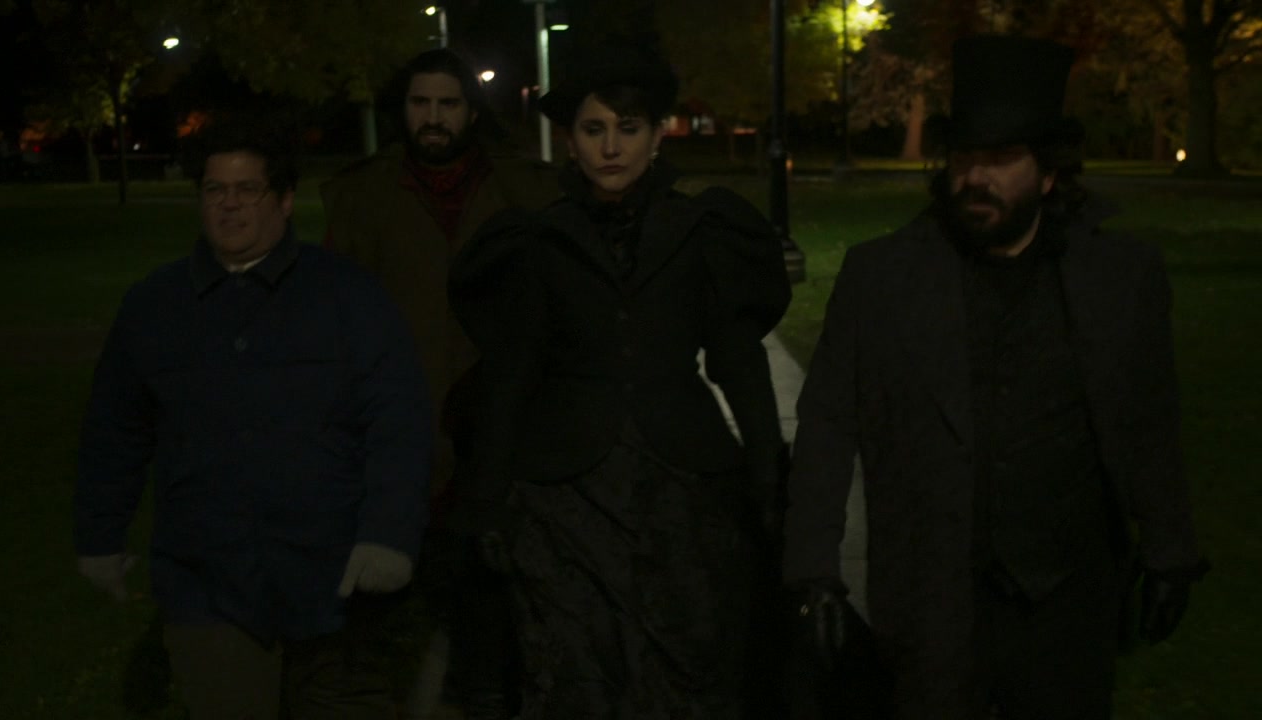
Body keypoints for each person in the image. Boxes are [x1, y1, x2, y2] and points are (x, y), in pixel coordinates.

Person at [783, 35, 1208, 718]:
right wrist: (813, 572)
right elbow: (828, 427)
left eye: (1001, 159)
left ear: (1048, 174)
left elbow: (1149, 421)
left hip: (1067, 601)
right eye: (964, 157)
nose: (975, 177)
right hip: (931, 597)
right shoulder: (882, 279)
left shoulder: (1119, 279)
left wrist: (1169, 550)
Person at [448, 46, 792, 719]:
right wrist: (486, 500)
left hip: (683, 484)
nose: (610, 148)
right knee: (574, 675)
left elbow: (737, 360)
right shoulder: (537, 242)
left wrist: (768, 478)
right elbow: (511, 375)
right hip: (564, 492)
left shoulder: (701, 230)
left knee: (687, 667)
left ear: (657, 135)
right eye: (593, 129)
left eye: (627, 129)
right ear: (570, 141)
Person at [74, 113, 433, 720]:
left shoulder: (347, 297)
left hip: (335, 581)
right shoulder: (156, 306)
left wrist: (388, 536)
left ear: (285, 200)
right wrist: (99, 537)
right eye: (215, 190)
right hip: (207, 581)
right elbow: (115, 431)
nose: (230, 205)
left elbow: (398, 421)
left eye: (248, 190)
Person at [321, 48, 558, 719]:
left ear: (470, 112)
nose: (433, 117)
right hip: (397, 440)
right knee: (375, 642)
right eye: (420, 103)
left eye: (447, 103)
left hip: (500, 440)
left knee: (495, 632)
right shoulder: (366, 198)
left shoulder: (523, 191)